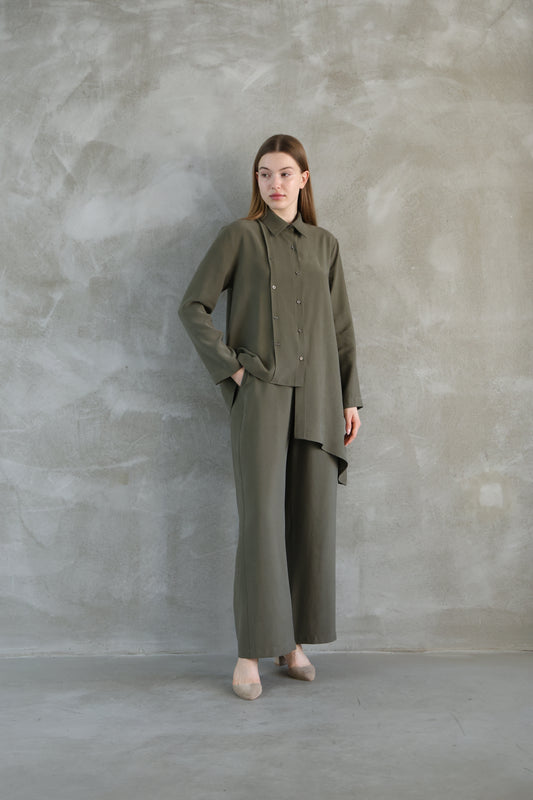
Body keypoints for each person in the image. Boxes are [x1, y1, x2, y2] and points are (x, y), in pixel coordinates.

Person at [179, 134, 362, 700]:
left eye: (285, 173)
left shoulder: (325, 245)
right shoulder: (238, 236)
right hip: (261, 398)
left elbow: (341, 329)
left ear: (304, 179)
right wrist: (233, 371)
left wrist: (350, 399)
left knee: (309, 521)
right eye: (264, 174)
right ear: (256, 181)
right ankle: (249, 653)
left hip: (319, 399)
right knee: (261, 523)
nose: (275, 184)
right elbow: (193, 307)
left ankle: (293, 643)